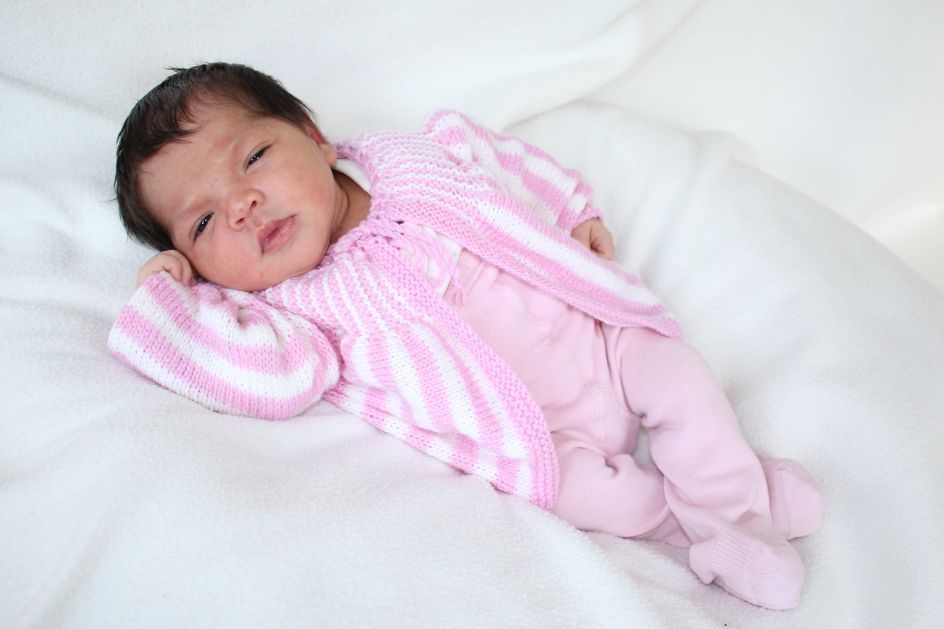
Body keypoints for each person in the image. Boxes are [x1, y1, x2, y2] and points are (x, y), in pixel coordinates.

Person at [108, 62, 822, 610]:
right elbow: (263, 378)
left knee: (680, 375)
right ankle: (709, 520)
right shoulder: (292, 314)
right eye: (203, 222)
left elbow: (501, 160)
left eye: (253, 157)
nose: (241, 204)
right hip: (539, 440)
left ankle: (736, 510)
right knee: (596, 501)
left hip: (601, 337)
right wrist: (167, 302)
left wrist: (573, 209)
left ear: (316, 138)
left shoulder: (409, 158)